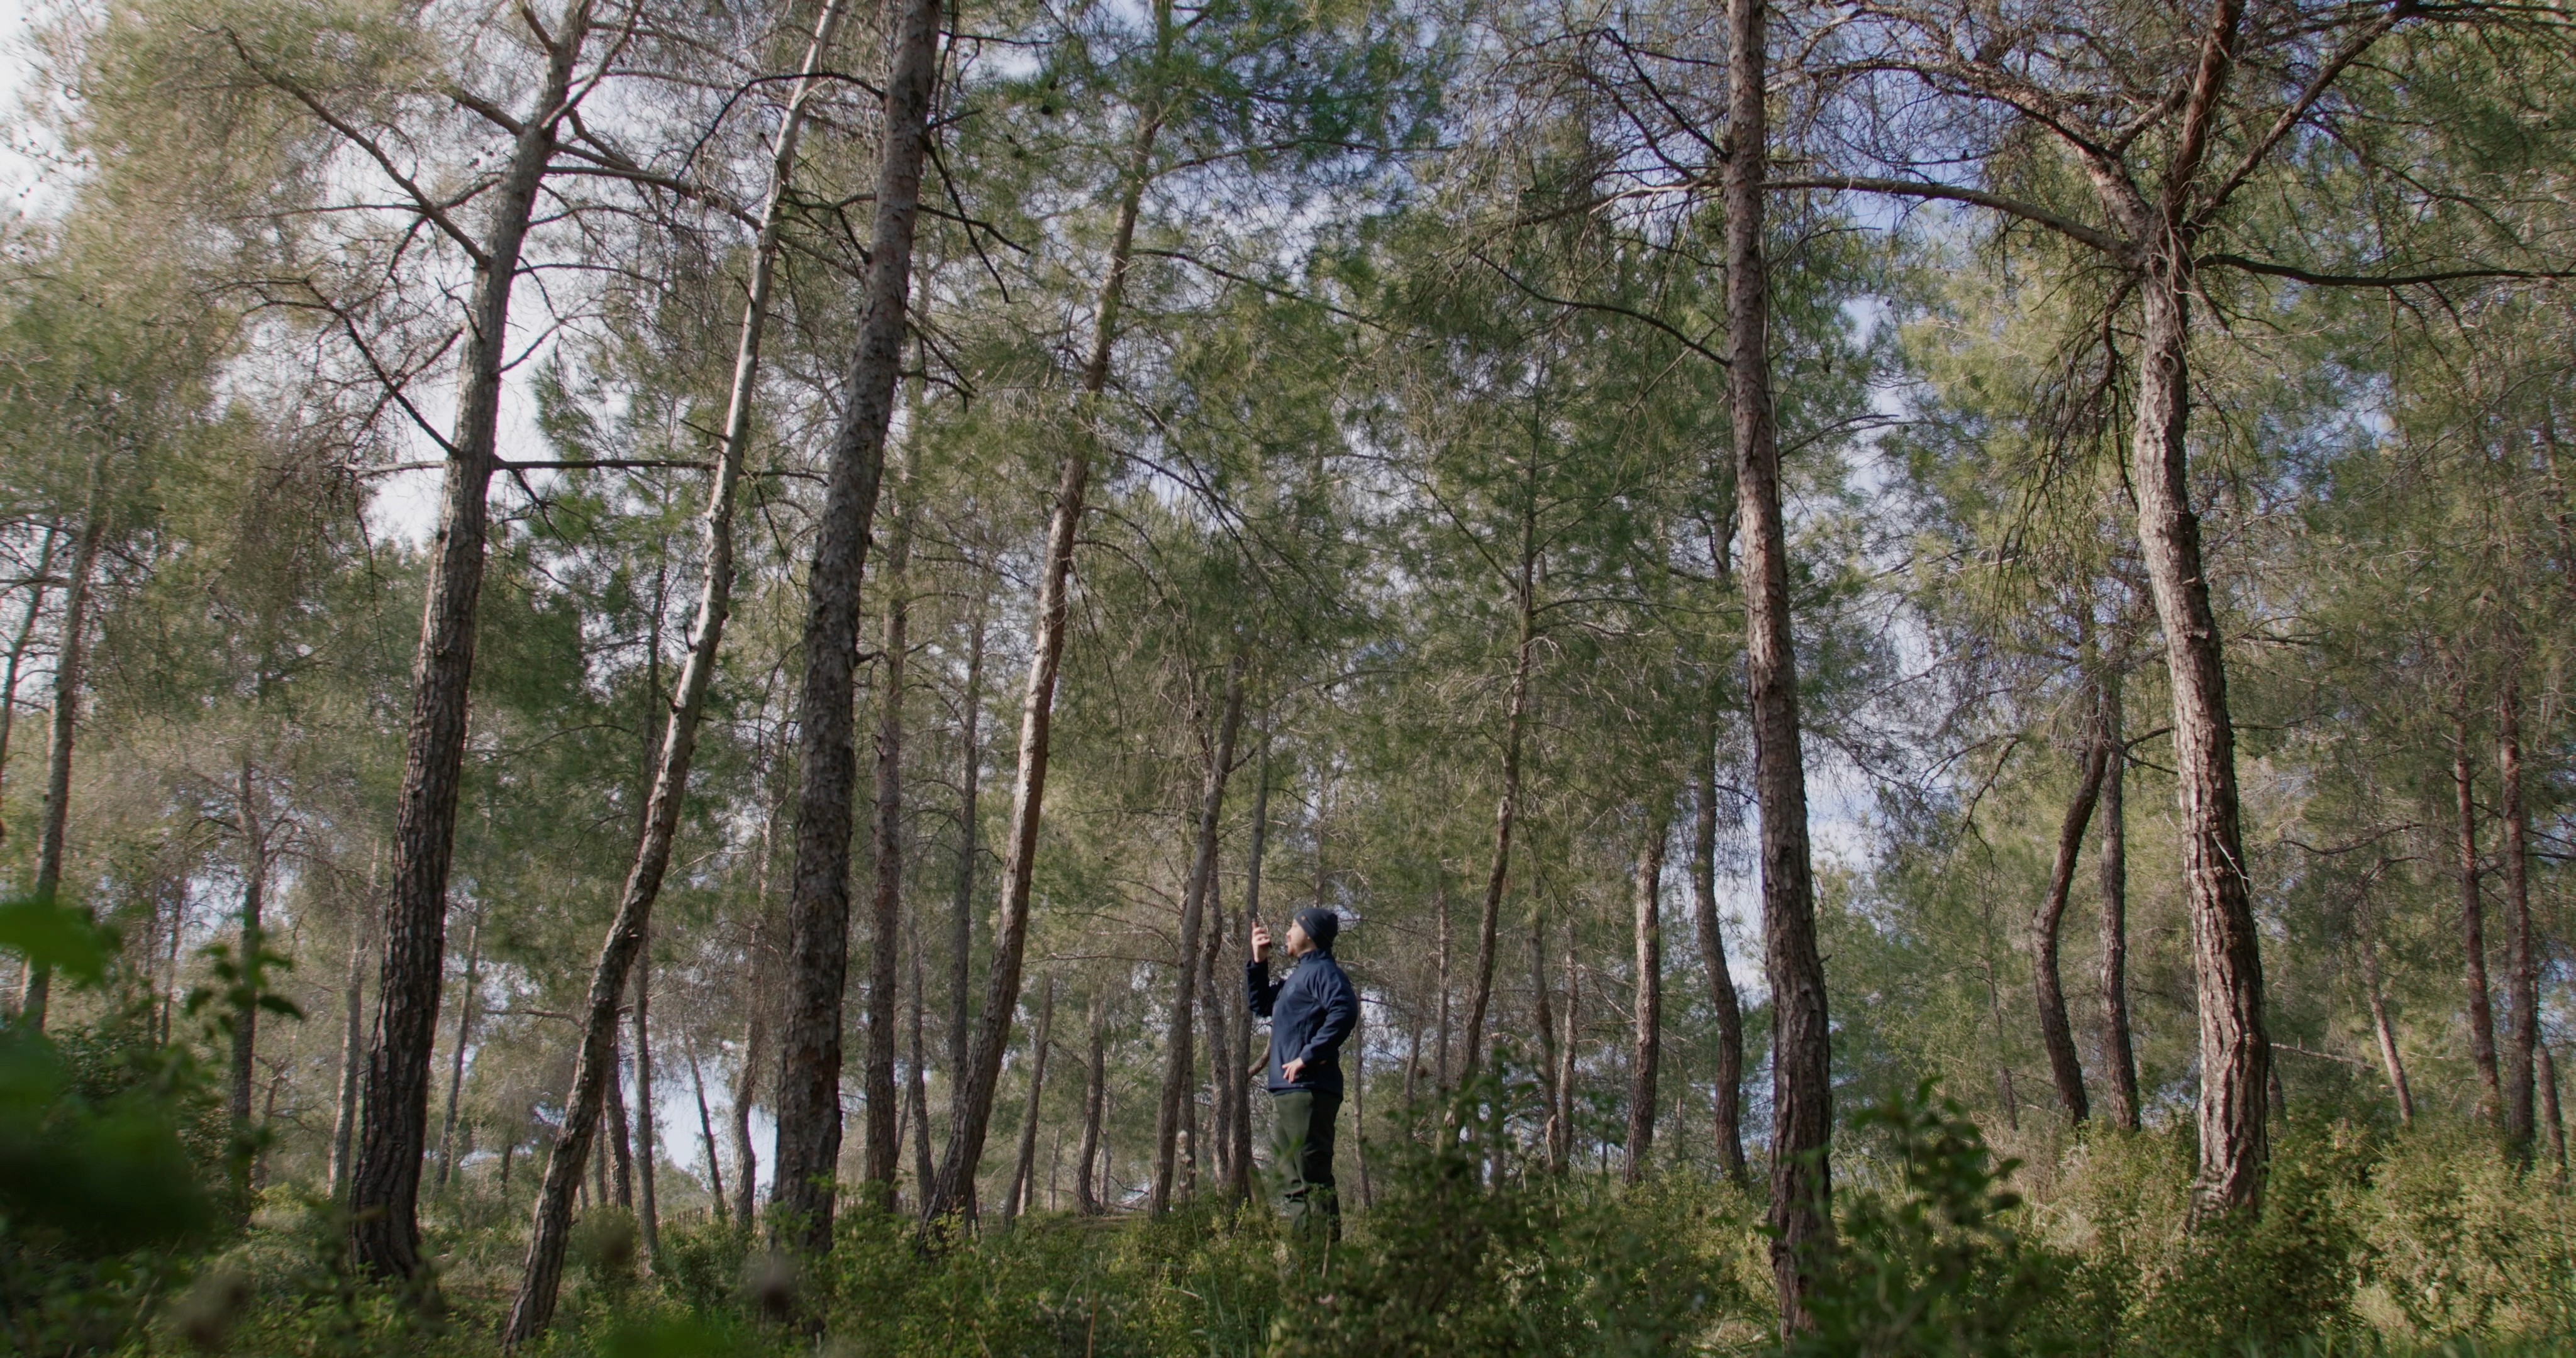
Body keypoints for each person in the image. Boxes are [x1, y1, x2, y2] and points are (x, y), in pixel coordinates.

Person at [1248, 906, 1358, 1240]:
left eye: (1293, 927)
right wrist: (1259, 962)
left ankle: (1326, 1271)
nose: (1286, 933)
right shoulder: (1297, 978)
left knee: (1314, 1179)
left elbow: (1345, 1010)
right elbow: (1261, 1005)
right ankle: (1304, 1265)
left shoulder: (1324, 972)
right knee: (1291, 1182)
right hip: (1287, 1091)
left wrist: (1308, 1057)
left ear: (1309, 934)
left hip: (1308, 1090)